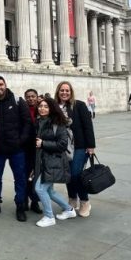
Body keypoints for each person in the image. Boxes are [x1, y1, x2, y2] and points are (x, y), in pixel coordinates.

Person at [0, 75, 32, 221]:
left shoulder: (18, 100)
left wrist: (21, 141)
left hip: (16, 149)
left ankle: (20, 205)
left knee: (20, 178)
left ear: (5, 85)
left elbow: (27, 123)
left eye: (1, 84)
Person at [32, 96, 77, 227]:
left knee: (40, 188)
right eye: (40, 106)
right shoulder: (40, 121)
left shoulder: (58, 123)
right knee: (49, 190)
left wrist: (43, 143)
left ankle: (49, 216)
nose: (42, 108)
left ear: (51, 108)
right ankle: (69, 210)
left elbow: (62, 144)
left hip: (54, 161)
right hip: (43, 161)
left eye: (46, 106)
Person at [54, 81, 96, 217]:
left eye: (67, 90)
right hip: (62, 147)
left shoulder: (79, 105)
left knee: (76, 174)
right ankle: (72, 199)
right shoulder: (55, 107)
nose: (64, 93)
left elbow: (88, 126)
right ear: (58, 92)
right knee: (68, 175)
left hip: (79, 146)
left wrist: (91, 146)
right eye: (62, 90)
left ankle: (84, 201)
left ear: (71, 92)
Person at [23, 89, 42, 214]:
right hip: (25, 147)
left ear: (37, 97)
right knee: (24, 175)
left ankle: (35, 201)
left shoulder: (41, 109)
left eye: (33, 96)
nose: (31, 99)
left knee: (36, 175)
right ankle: (24, 200)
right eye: (28, 97)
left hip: (38, 148)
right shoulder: (22, 110)